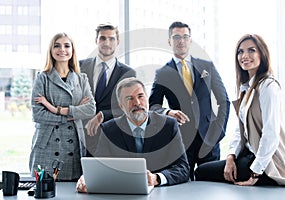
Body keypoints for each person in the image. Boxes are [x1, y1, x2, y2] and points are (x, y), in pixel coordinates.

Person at [195, 34, 285, 187]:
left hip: (266, 162)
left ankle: (267, 178)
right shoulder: (246, 89)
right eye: (240, 51)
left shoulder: (268, 86)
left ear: (262, 54)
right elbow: (240, 131)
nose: (245, 56)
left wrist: (255, 172)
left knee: (202, 172)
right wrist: (230, 157)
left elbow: (271, 133)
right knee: (204, 170)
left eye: (251, 50)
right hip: (248, 155)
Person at [76, 77, 190, 192]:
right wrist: (86, 178)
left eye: (140, 96)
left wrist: (156, 178)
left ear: (147, 98)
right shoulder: (109, 129)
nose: (137, 103)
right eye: (129, 98)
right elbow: (99, 168)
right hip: (122, 193)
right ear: (121, 106)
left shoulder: (168, 126)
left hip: (161, 193)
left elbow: (183, 168)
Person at [149, 21, 230, 180]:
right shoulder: (163, 73)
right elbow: (152, 106)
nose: (181, 41)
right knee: (182, 185)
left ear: (190, 40)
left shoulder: (207, 66)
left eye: (185, 36)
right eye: (176, 37)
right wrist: (168, 112)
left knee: (211, 186)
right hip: (180, 142)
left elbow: (224, 101)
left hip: (209, 140)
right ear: (169, 41)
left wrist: (218, 133)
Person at [29, 33, 96, 181]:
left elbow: (91, 109)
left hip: (74, 143)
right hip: (48, 144)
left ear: (72, 50)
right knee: (46, 189)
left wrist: (55, 109)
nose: (62, 50)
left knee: (73, 190)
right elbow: (38, 115)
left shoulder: (81, 78)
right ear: (51, 51)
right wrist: (72, 115)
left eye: (67, 46)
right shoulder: (42, 78)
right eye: (57, 46)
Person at [79, 23, 136, 156]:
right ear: (96, 40)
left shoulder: (128, 73)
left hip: (109, 137)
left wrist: (103, 114)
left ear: (118, 42)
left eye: (111, 39)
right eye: (102, 38)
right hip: (79, 135)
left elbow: (128, 107)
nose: (107, 43)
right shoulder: (80, 66)